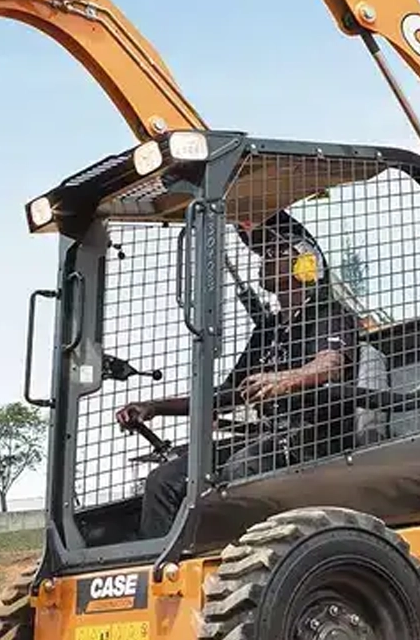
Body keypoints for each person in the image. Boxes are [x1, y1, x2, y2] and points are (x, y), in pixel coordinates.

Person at [119, 213, 363, 539]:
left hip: (314, 439)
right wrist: (154, 406)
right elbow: (228, 394)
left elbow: (332, 363)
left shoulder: (329, 313)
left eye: (275, 252)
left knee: (241, 469)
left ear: (305, 264)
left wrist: (286, 379)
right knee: (165, 479)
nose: (263, 261)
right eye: (262, 254)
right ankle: (163, 572)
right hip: (269, 437)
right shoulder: (269, 331)